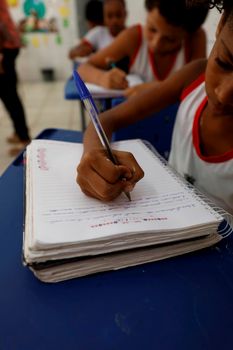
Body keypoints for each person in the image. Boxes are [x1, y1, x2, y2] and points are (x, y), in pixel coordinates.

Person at [76, 0, 233, 214]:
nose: (223, 95)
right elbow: (105, 119)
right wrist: (95, 156)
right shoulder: (194, 76)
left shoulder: (195, 55)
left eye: (170, 38)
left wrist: (149, 87)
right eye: (224, 62)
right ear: (221, 23)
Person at [78, 0, 209, 96]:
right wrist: (102, 78)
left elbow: (196, 87)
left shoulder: (195, 38)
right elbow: (83, 68)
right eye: (152, 29)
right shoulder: (134, 37)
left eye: (170, 39)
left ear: (187, 35)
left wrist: (156, 90)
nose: (156, 43)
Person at [0, 0, 30, 154]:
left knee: (10, 96)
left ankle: (24, 139)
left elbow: (1, 25)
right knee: (8, 95)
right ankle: (19, 133)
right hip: (8, 47)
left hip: (4, 49)